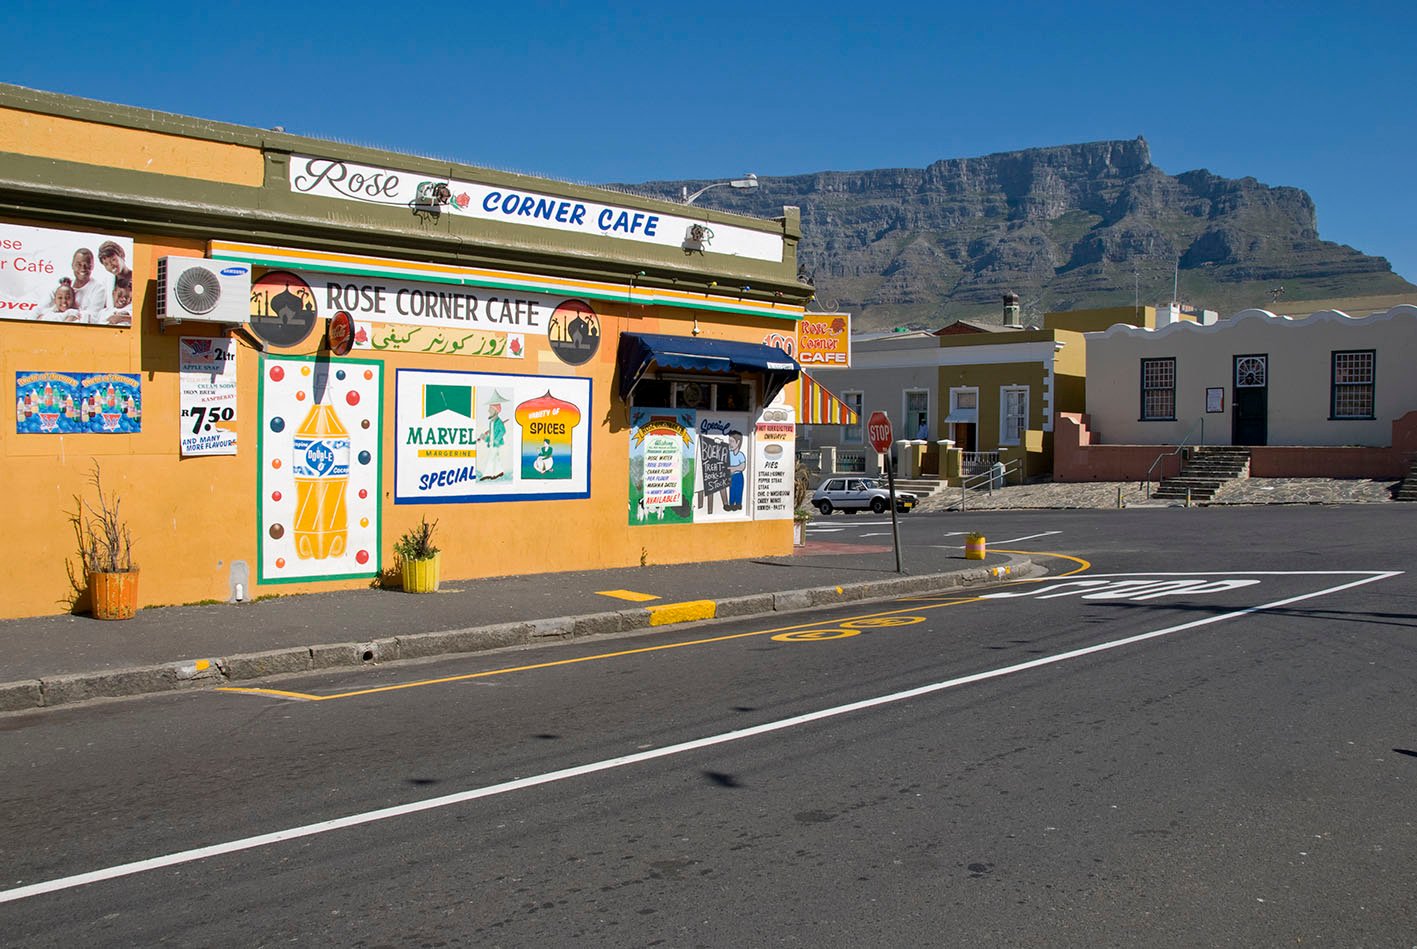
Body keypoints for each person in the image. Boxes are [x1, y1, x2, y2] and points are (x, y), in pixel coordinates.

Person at [67, 247, 111, 321]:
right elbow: (46, 310)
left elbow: (93, 318)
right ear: (72, 265)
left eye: (87, 264)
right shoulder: (64, 285)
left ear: (92, 266)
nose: (83, 268)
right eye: (79, 264)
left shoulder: (99, 289)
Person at [726, 431, 747, 511]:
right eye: (729, 441)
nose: (730, 443)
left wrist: (734, 468)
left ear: (738, 442)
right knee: (732, 490)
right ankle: (731, 504)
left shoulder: (740, 455)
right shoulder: (729, 453)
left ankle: (738, 504)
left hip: (738, 476)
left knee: (738, 490)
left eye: (731, 441)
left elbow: (742, 466)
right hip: (731, 476)